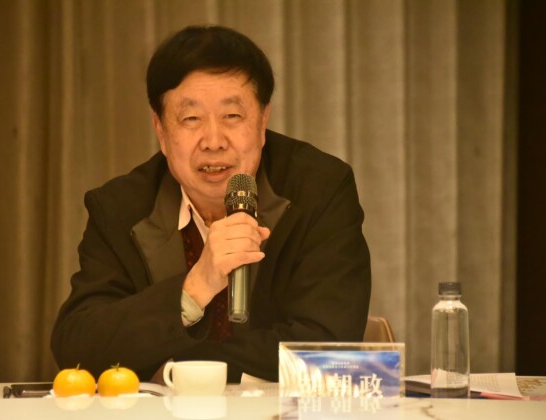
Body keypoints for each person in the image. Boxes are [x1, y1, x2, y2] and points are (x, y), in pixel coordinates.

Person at [51, 25, 371, 383]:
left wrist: (173, 360)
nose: (214, 141)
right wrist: (193, 289)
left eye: (232, 116)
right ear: (161, 130)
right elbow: (78, 350)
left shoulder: (319, 189)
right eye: (191, 119)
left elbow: (328, 348)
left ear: (262, 121)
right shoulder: (120, 207)